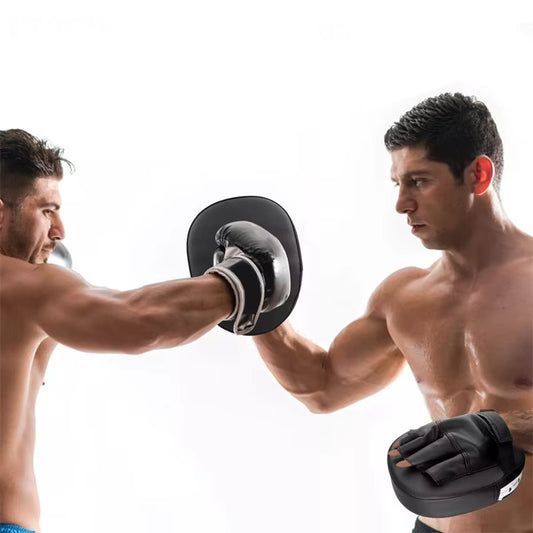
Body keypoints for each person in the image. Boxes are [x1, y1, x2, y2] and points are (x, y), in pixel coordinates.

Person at [253, 93, 533, 533]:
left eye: (419, 181)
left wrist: (501, 429)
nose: (402, 204)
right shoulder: (405, 297)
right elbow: (323, 388)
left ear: (478, 175)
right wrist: (260, 310)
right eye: (397, 184)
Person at [0, 129, 291, 533]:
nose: (60, 230)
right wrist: (241, 279)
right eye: (47, 210)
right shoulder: (21, 285)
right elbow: (137, 320)